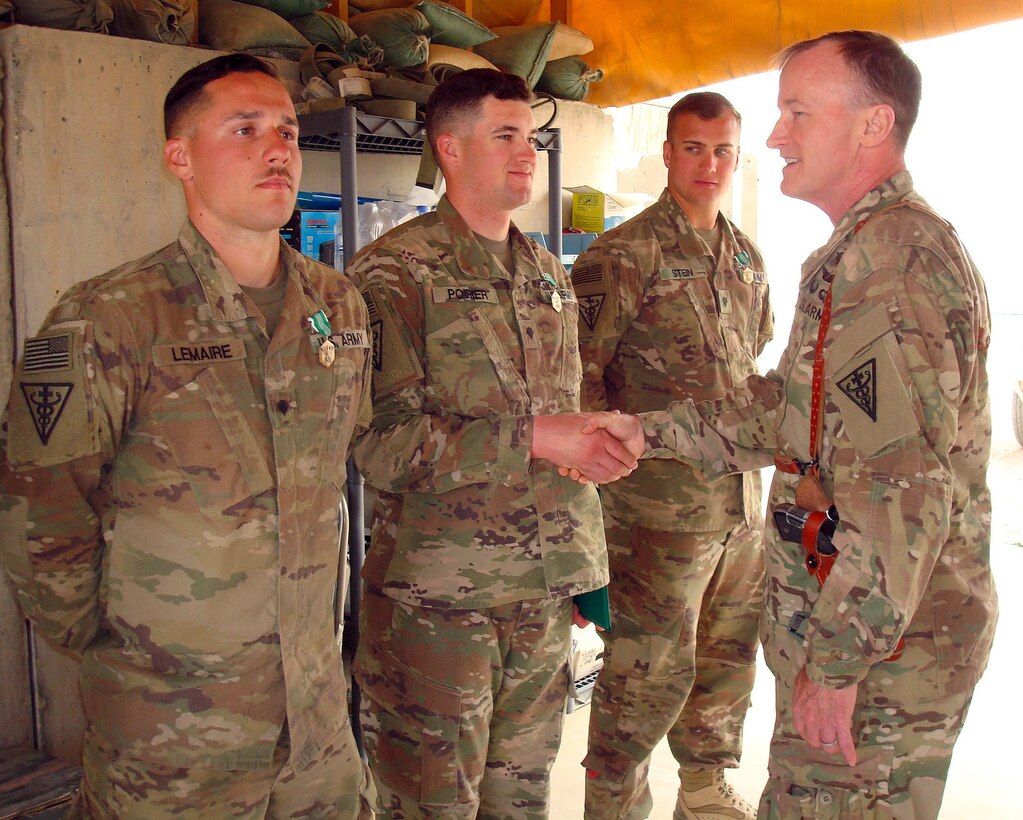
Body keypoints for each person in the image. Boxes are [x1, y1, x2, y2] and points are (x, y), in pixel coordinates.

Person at [579, 30, 997, 819]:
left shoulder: (892, 265)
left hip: (882, 648)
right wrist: (650, 431)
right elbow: (787, 406)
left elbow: (899, 490)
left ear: (872, 125)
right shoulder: (858, 252)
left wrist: (836, 665)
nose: (773, 136)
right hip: (856, 622)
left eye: (796, 112)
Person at [0, 54, 374, 818]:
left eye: (288, 131)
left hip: (316, 729)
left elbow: (344, 462)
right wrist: (127, 652)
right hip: (171, 739)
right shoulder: (108, 317)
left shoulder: (339, 307)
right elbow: (40, 513)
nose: (277, 150)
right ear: (181, 157)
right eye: (245, 129)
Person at [346, 68, 640, 818]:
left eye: (533, 138)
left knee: (521, 796)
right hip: (439, 605)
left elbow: (561, 418)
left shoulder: (545, 272)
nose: (526, 154)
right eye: (504, 136)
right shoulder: (392, 274)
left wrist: (584, 562)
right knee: (431, 802)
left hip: (539, 595)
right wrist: (536, 437)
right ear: (449, 148)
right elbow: (378, 442)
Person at [572, 92, 771, 820]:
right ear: (665, 151)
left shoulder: (744, 257)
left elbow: (752, 371)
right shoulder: (620, 257)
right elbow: (580, 384)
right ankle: (614, 807)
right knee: (641, 677)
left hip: (738, 508)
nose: (708, 165)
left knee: (726, 661)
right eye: (693, 148)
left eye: (722, 151)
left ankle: (703, 788)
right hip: (654, 516)